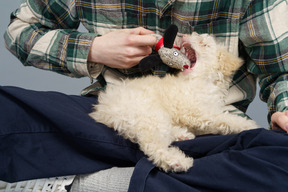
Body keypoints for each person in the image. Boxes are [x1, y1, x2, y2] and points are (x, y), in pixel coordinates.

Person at [2, 0, 288, 191]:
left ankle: (90, 183)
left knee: (282, 158)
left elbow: (283, 71)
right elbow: (19, 31)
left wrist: (285, 111)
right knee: (6, 108)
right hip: (108, 123)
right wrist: (94, 48)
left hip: (215, 140)